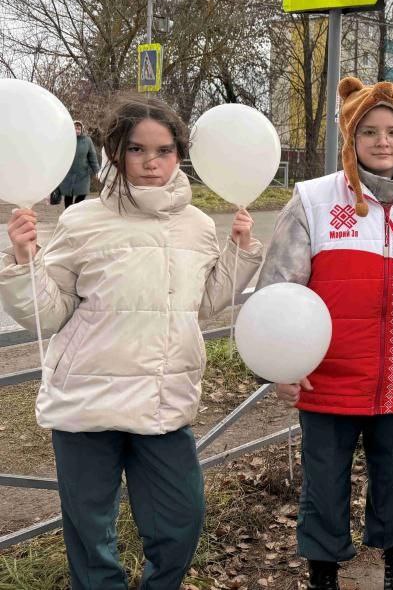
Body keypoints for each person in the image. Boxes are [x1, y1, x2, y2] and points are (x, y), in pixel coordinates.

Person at [0, 95, 262, 590]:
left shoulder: (198, 226)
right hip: (86, 404)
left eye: (163, 150)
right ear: (116, 152)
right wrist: (22, 259)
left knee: (181, 522)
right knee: (89, 536)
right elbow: (50, 313)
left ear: (178, 154)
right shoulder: (82, 222)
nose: (151, 162)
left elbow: (202, 305)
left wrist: (241, 252)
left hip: (163, 403)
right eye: (137, 149)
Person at [259, 77, 393, 590]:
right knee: (324, 480)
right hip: (325, 375)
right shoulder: (314, 198)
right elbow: (276, 289)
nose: (382, 142)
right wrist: (281, 367)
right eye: (368, 131)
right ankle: (323, 569)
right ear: (350, 137)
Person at [58, 120, 100, 209]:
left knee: (82, 194)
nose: (77, 129)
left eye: (78, 128)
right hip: (69, 173)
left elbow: (92, 156)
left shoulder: (87, 141)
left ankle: (75, 209)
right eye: (75, 127)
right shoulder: (67, 140)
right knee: (68, 195)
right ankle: (68, 213)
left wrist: (97, 171)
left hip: (83, 174)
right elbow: (60, 155)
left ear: (81, 129)